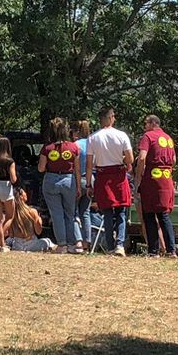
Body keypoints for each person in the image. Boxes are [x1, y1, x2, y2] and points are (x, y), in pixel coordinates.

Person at [86, 109, 135, 256]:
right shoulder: (121, 136)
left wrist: (88, 184)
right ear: (111, 118)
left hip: (102, 176)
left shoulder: (93, 138)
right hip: (119, 175)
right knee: (120, 212)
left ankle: (109, 246)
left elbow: (89, 164)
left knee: (106, 212)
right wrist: (124, 161)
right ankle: (120, 245)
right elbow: (131, 159)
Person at [137, 113, 178, 257]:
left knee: (149, 214)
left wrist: (139, 175)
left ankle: (153, 250)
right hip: (166, 179)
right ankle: (171, 250)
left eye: (145, 124)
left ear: (152, 124)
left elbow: (142, 157)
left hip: (152, 179)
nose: (144, 127)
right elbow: (173, 160)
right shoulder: (168, 138)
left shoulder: (148, 137)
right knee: (164, 215)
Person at [37, 117, 81, 251]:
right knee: (71, 213)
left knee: (56, 214)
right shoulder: (74, 147)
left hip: (51, 180)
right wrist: (78, 186)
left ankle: (62, 244)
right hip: (69, 180)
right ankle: (76, 243)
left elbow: (41, 168)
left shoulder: (47, 148)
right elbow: (77, 169)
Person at [73, 118, 97, 249]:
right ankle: (88, 241)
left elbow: (75, 166)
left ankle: (78, 240)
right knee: (85, 212)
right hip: (90, 179)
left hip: (78, 179)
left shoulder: (75, 145)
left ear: (77, 131)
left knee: (73, 212)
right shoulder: (92, 144)